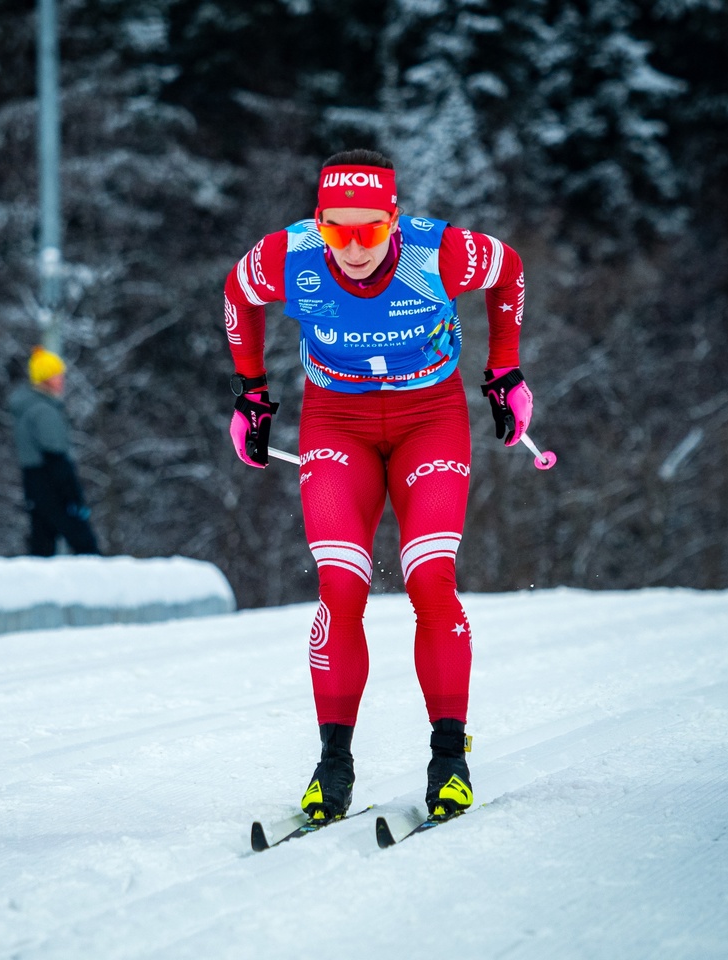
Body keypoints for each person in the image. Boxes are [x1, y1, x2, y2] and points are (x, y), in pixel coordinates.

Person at [222, 148, 534, 824]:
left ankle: (449, 757)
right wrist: (252, 394)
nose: (354, 247)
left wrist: (504, 371)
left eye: (370, 229)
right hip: (338, 424)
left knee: (430, 577)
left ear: (394, 219)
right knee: (340, 585)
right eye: (338, 230)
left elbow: (508, 272)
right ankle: (333, 765)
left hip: (431, 420)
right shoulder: (289, 256)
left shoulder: (439, 253)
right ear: (319, 223)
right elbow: (236, 293)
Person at [8, 346, 101, 557]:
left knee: (42, 544)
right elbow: (55, 454)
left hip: (33, 482)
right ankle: (99, 586)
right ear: (44, 378)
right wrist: (74, 496)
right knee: (84, 544)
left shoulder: (25, 407)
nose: (62, 380)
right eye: (57, 375)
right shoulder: (44, 410)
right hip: (51, 482)